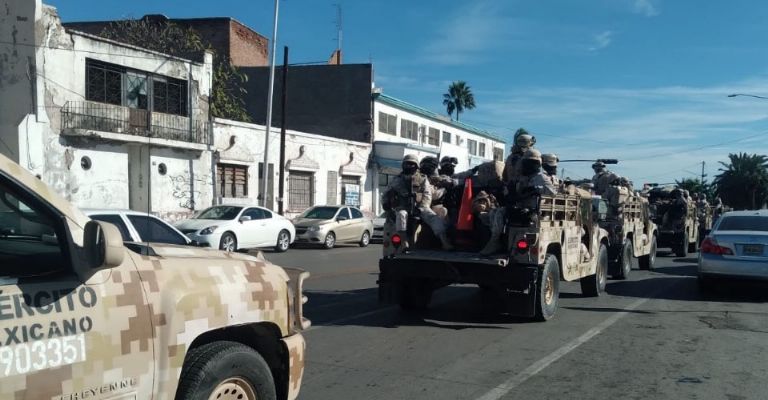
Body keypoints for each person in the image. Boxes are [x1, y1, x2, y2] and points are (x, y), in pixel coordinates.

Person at [481, 149, 556, 255]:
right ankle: (496, 240)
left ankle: (495, 242)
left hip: (535, 211)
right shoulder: (521, 177)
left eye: (532, 162)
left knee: (500, 213)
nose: (528, 165)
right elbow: (510, 193)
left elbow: (553, 192)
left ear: (538, 164)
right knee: (494, 212)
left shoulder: (541, 177)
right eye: (527, 162)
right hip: (520, 206)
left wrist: (535, 189)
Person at [382, 154, 453, 250]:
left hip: (420, 207)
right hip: (403, 207)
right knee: (401, 215)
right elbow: (386, 194)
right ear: (403, 165)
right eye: (407, 164)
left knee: (434, 218)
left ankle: (444, 241)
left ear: (416, 166)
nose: (409, 166)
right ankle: (404, 242)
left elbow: (427, 194)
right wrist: (386, 206)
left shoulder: (423, 179)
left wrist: (422, 207)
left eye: (412, 164)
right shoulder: (396, 180)